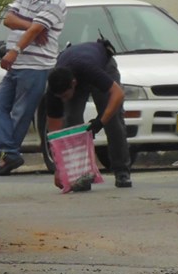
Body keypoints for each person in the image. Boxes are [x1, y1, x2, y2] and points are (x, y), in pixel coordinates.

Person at [0, 0, 67, 176]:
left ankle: (7, 156)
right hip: (16, 66)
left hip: (35, 66)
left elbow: (34, 31)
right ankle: (9, 153)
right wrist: (31, 25)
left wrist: (15, 49)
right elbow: (8, 20)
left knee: (21, 112)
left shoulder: (55, 2)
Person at [45, 38, 132, 189]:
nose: (63, 99)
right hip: (72, 68)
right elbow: (56, 135)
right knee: (71, 122)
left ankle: (121, 171)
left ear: (73, 84)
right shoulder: (54, 91)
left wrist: (100, 122)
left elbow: (118, 94)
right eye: (61, 97)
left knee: (113, 120)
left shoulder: (89, 69)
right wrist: (60, 169)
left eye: (65, 95)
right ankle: (79, 174)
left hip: (103, 66)